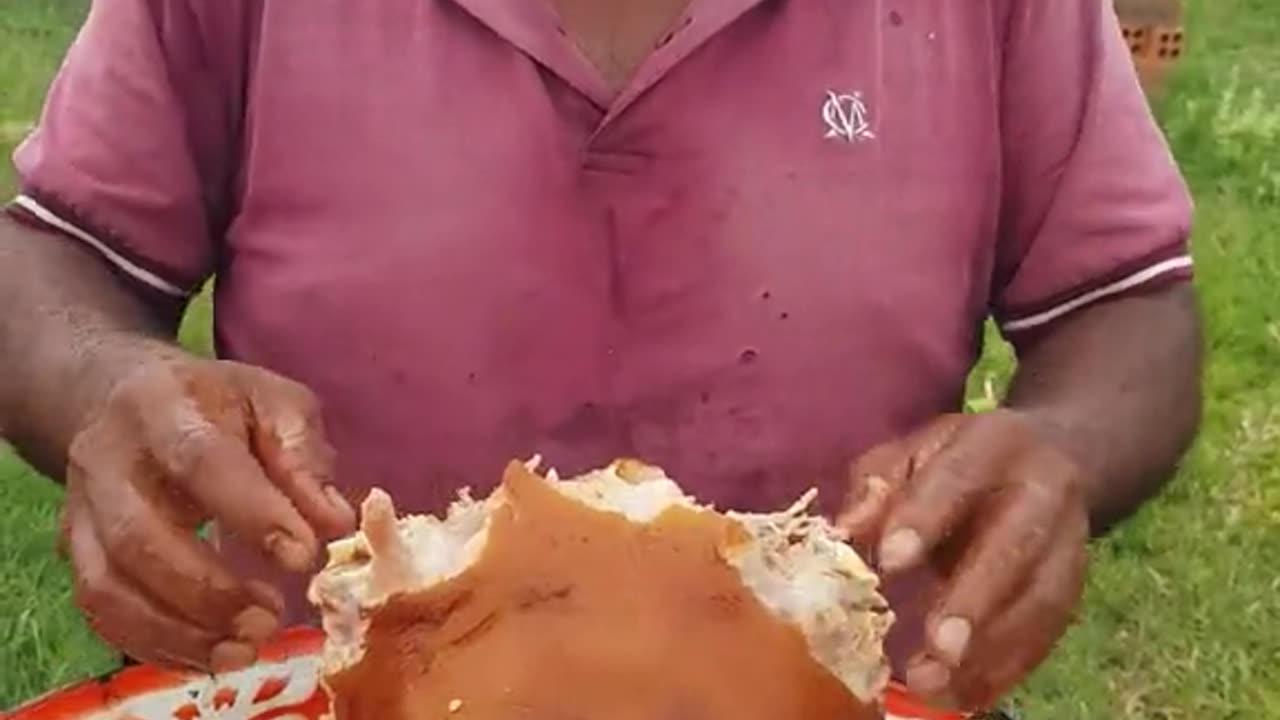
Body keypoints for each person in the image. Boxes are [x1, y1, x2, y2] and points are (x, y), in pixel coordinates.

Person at [0, 0, 1201, 712]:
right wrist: (104, 383)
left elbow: (1125, 312)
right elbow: (51, 267)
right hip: (335, 689)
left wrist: (1061, 451)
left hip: (827, 695)